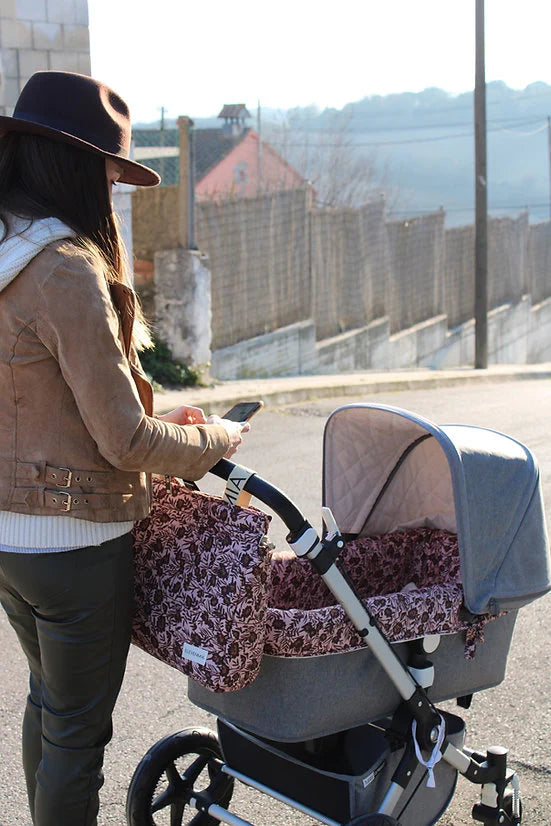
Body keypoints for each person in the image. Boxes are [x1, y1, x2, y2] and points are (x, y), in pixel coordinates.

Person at [0, 71, 247, 826]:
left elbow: (47, 401)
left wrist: (159, 409)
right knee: (78, 730)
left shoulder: (8, 252)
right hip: (77, 544)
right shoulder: (65, 270)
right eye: (110, 173)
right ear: (76, 166)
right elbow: (125, 441)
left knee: (50, 705)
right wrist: (216, 437)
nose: (111, 191)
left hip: (9, 539)